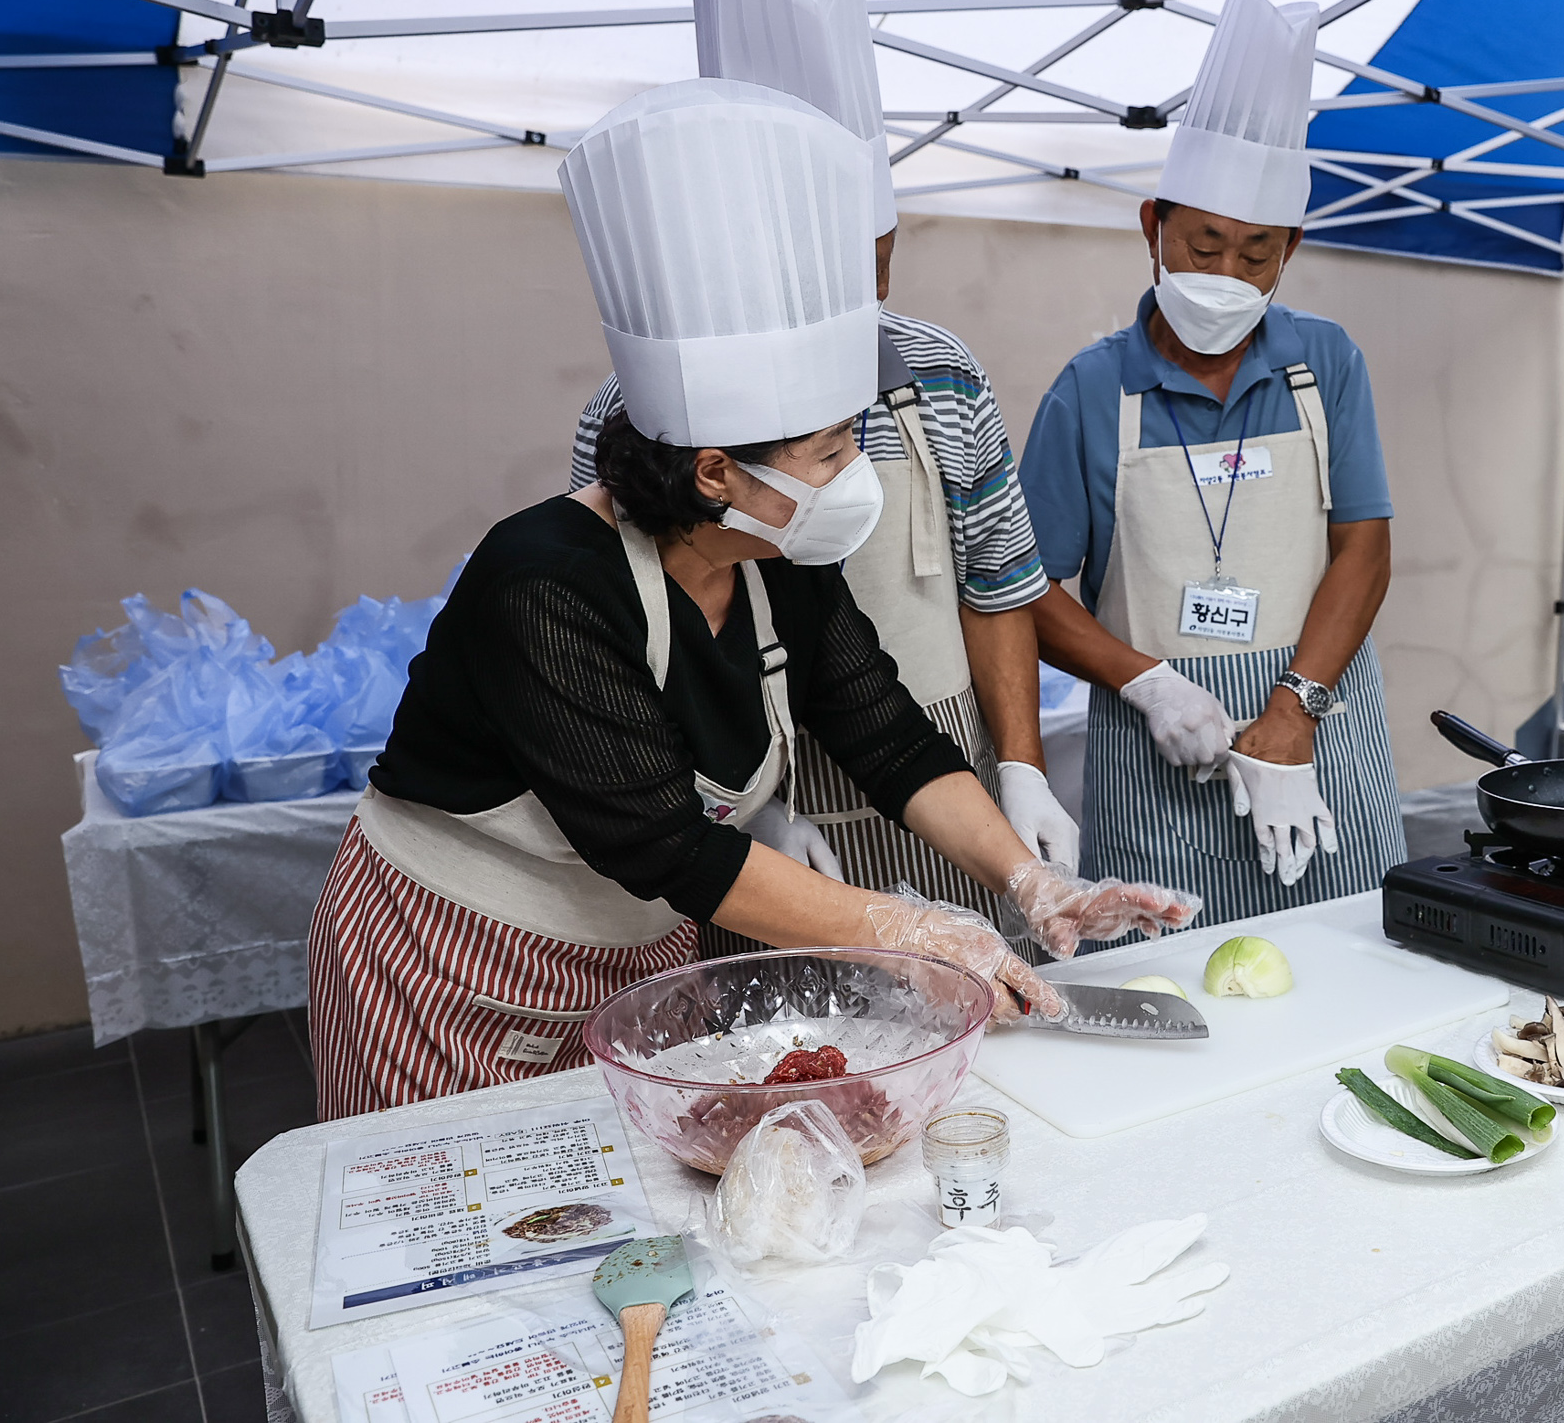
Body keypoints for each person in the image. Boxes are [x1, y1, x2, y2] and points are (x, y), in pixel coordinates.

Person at [307, 77, 1193, 1119]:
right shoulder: (541, 582)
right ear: (719, 471)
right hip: (447, 962)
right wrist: (907, 928)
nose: (854, 469)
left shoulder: (780, 560)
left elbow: (890, 738)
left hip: (629, 958)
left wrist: (1025, 878)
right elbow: (671, 845)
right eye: (830, 450)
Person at [565, 0, 1079, 956]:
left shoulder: (934, 376)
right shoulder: (619, 446)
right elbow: (645, 668)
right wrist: (743, 815)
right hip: (747, 804)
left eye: (881, 262)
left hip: (935, 778)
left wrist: (1016, 769)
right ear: (710, 472)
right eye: (842, 273)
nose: (869, 300)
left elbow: (974, 606)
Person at [1021, 0, 1405, 925]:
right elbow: (1024, 587)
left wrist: (1294, 710)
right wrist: (1147, 683)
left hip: (1318, 737)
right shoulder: (1091, 389)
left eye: (1255, 254)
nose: (1227, 276)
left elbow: (1364, 546)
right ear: (1153, 227)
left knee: (1349, 963)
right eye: (1204, 244)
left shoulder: (1326, 362)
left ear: (1290, 252)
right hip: (1159, 766)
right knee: (1176, 973)